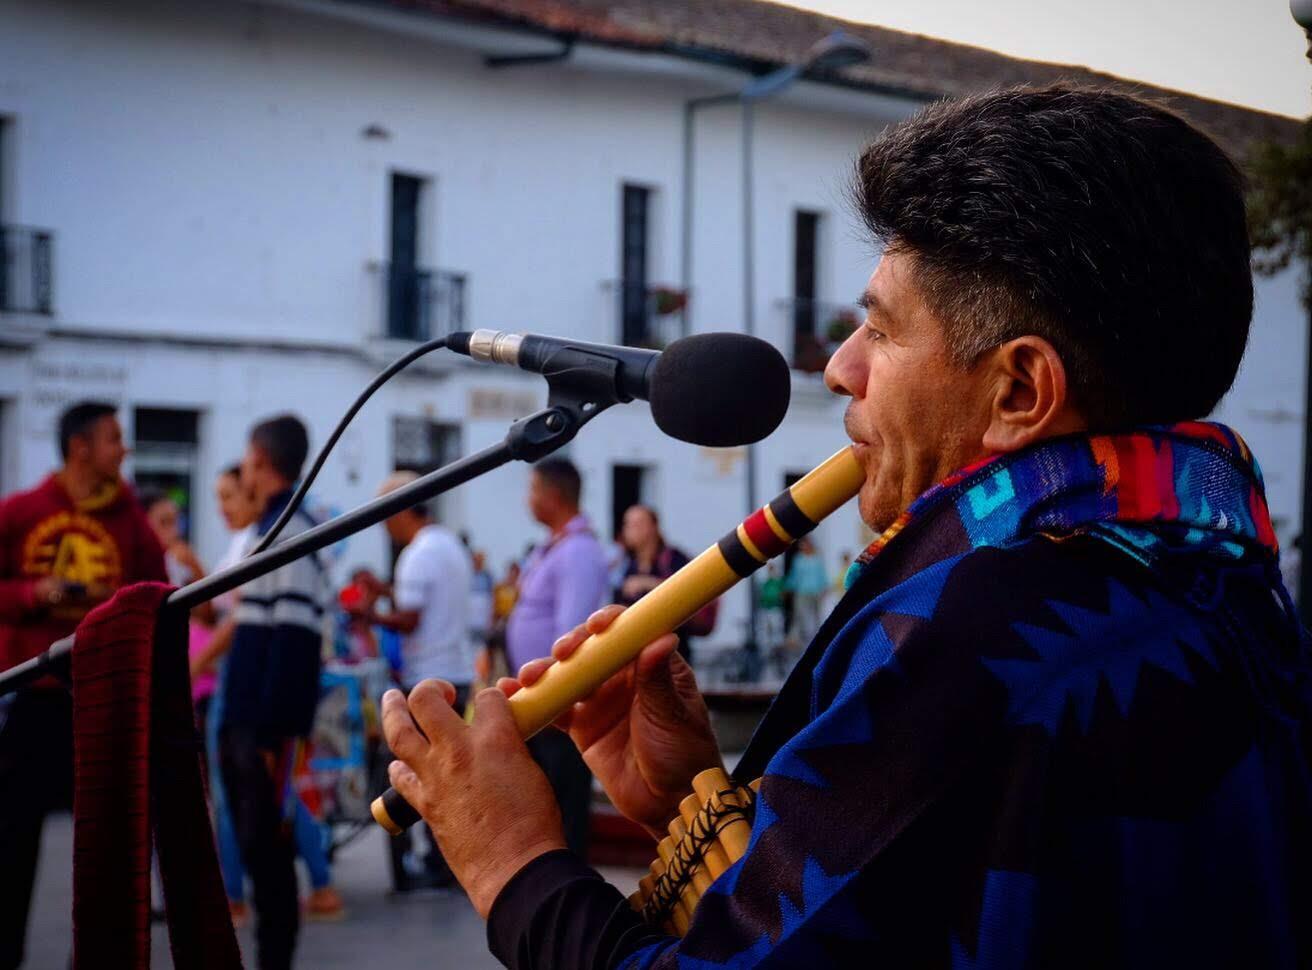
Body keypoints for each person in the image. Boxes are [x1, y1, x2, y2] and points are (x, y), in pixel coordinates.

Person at [377, 86, 1312, 968]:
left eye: (883, 329)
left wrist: (513, 860)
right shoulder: (1220, 583)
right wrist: (689, 801)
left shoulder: (981, 633)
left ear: (1020, 390)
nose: (839, 368)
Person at [0, 401, 168, 968]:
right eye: (114, 439)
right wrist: (33, 594)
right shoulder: (22, 512)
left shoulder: (130, 521)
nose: (124, 450)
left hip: (100, 705)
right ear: (81, 448)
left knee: (105, 849)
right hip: (31, 700)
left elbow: (161, 595)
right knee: (10, 844)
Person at [218, 414, 328, 969]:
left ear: (259, 461)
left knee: (270, 855)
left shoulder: (287, 533)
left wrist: (269, 733)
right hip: (252, 724)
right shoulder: (273, 528)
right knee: (262, 850)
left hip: (264, 730)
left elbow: (293, 641)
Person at [355, 470, 474, 891]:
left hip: (426, 680)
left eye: (387, 517)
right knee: (447, 774)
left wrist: (369, 615)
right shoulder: (448, 545)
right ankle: (445, 863)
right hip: (455, 672)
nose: (387, 528)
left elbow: (411, 619)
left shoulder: (417, 555)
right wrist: (386, 592)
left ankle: (405, 867)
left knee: (408, 774)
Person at [501, 458, 609, 856]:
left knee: (565, 807)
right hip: (539, 704)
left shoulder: (578, 552)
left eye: (532, 490)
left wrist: (552, 699)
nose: (528, 500)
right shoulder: (554, 548)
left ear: (553, 495)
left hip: (557, 708)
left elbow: (570, 634)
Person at [614, 504, 695, 661]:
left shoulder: (673, 559)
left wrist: (648, 583)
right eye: (627, 524)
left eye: (637, 524)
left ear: (653, 527)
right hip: (635, 653)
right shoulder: (627, 564)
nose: (629, 530)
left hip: (673, 652)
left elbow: (687, 593)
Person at [783, 536, 827, 648]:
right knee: (799, 615)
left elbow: (821, 575)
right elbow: (794, 575)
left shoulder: (816, 559)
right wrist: (787, 587)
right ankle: (796, 638)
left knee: (816, 615)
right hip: (802, 591)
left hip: (815, 591)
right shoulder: (798, 559)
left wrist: (824, 588)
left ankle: (818, 638)